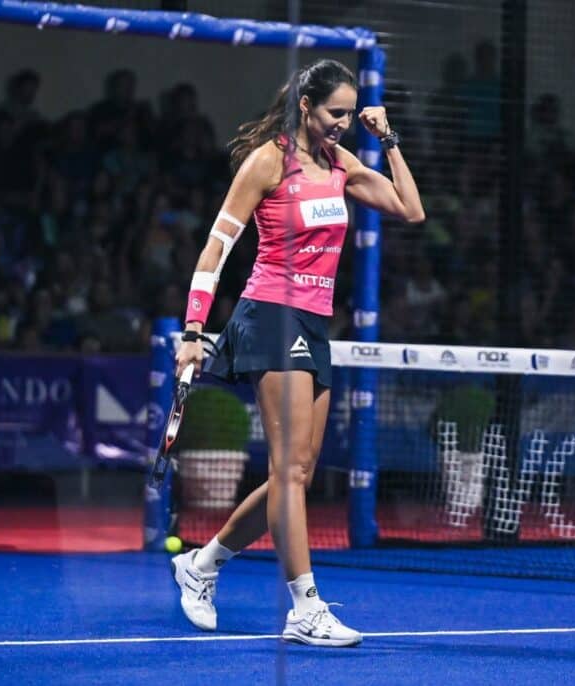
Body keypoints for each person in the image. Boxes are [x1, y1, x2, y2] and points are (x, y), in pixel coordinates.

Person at [169, 59, 424, 647]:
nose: (342, 123)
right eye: (335, 112)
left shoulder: (341, 164)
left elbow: (410, 209)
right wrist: (193, 330)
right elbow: (215, 248)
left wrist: (387, 138)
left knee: (298, 475)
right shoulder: (267, 162)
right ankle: (304, 609)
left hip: (313, 320)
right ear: (305, 106)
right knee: (287, 471)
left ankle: (201, 565)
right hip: (269, 314)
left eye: (349, 115)